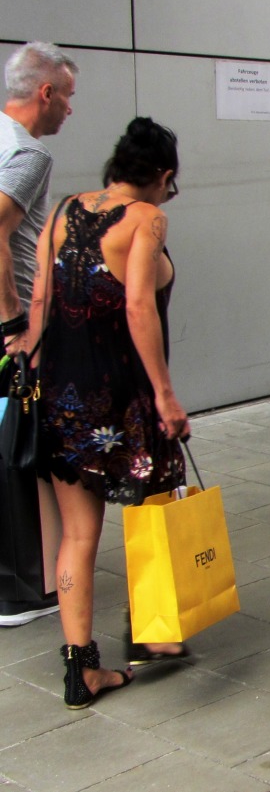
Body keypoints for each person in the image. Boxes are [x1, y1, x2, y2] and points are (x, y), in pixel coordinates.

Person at [22, 117, 190, 708]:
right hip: (124, 399)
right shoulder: (147, 220)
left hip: (64, 398)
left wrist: (31, 365)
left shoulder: (65, 209)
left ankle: (80, 669)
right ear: (162, 177)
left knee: (78, 535)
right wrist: (166, 395)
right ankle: (154, 633)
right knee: (151, 511)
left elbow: (40, 298)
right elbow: (139, 307)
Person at [0, 42, 78, 628]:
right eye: (68, 97)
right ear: (45, 93)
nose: (69, 111)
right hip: (12, 330)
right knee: (27, 447)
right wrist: (15, 324)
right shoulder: (28, 155)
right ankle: (33, 587)